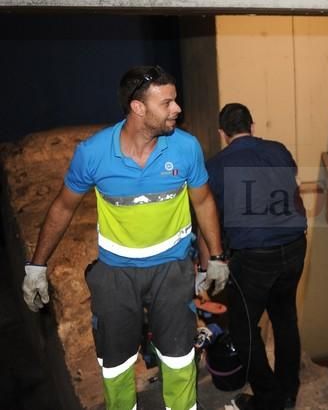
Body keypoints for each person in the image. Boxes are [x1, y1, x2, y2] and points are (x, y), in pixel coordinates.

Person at [21, 65, 229, 410]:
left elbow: (203, 200)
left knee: (179, 357)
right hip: (116, 273)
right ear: (138, 108)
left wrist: (217, 258)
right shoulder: (94, 153)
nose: (177, 109)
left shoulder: (185, 148)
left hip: (172, 270)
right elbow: (62, 207)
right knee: (115, 363)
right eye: (167, 103)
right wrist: (36, 266)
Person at [202, 103, 307, 410]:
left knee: (243, 328)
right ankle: (288, 391)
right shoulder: (279, 150)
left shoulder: (215, 166)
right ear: (252, 125)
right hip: (294, 246)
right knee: (285, 318)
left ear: (223, 133)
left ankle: (269, 398)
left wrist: (208, 263)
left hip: (254, 256)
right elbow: (291, 189)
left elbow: (210, 220)